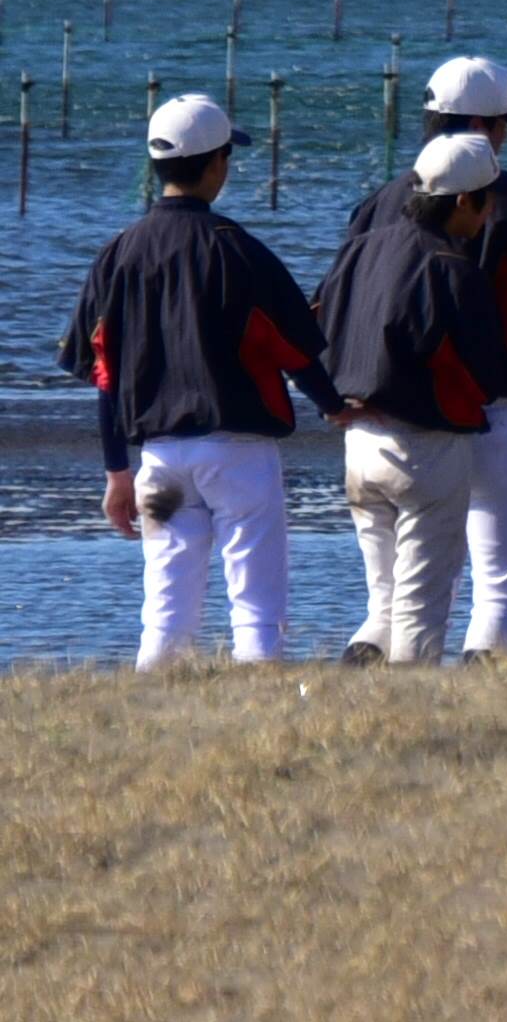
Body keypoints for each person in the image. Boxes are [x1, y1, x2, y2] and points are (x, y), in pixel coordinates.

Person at [60, 91, 332, 668]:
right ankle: (259, 719)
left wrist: (117, 473)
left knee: (165, 609)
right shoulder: (238, 249)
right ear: (216, 165)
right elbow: (295, 352)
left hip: (158, 455)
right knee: (256, 601)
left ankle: (151, 718)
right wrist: (335, 406)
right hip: (239, 449)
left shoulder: (117, 255)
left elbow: (104, 376)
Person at [320, 56, 507, 653]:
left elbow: (334, 302)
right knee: (502, 590)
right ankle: (475, 701)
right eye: (503, 126)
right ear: (481, 128)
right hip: (488, 409)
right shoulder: (502, 205)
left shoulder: (378, 203)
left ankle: (372, 683)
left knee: (388, 600)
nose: (506, 138)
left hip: (374, 414)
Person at [326, 131, 507, 664]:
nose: (487, 217)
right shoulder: (456, 268)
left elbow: (317, 326)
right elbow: (486, 373)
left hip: (359, 439)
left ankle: (364, 699)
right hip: (425, 446)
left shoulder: (359, 248)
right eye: (486, 203)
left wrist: (333, 397)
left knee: (383, 598)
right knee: (420, 605)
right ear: (463, 200)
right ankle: (411, 711)